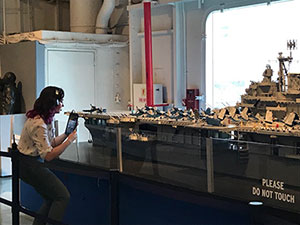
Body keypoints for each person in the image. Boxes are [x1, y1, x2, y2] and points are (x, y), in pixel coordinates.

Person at [18, 86, 77, 225]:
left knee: (51, 198)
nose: (62, 105)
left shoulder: (45, 120)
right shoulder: (39, 123)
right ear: (53, 103)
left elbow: (51, 143)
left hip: (30, 164)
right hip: (30, 165)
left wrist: (67, 134)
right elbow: (48, 155)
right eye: (60, 101)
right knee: (62, 196)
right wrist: (69, 141)